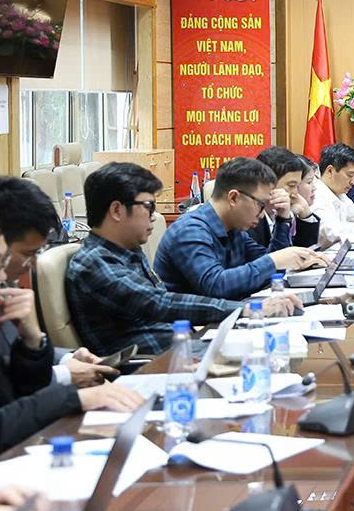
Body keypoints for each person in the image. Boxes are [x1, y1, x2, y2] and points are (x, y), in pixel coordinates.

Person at [0, 200, 144, 467]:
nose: (0, 276)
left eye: (2, 263)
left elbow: (13, 397)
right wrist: (71, 397)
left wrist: (32, 342)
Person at [68, 163, 301, 356]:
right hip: (152, 367)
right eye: (148, 206)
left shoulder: (126, 251)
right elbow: (160, 303)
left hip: (183, 349)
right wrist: (248, 309)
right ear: (117, 211)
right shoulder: (94, 263)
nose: (154, 216)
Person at [0, 177, 116, 387]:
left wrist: (68, 358)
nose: (33, 264)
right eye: (28, 254)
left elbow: (19, 349)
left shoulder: (4, 281)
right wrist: (64, 375)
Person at [155, 157, 327, 300]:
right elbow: (216, 285)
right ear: (233, 198)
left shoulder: (233, 229)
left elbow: (269, 269)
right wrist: (275, 260)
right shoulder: (190, 230)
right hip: (193, 327)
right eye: (260, 205)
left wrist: (283, 220)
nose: (262, 215)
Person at [251, 146, 319, 250]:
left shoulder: (276, 212)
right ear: (266, 183)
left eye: (298, 186)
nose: (295, 194)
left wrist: (305, 214)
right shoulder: (249, 219)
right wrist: (283, 220)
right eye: (291, 186)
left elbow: (302, 250)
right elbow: (276, 258)